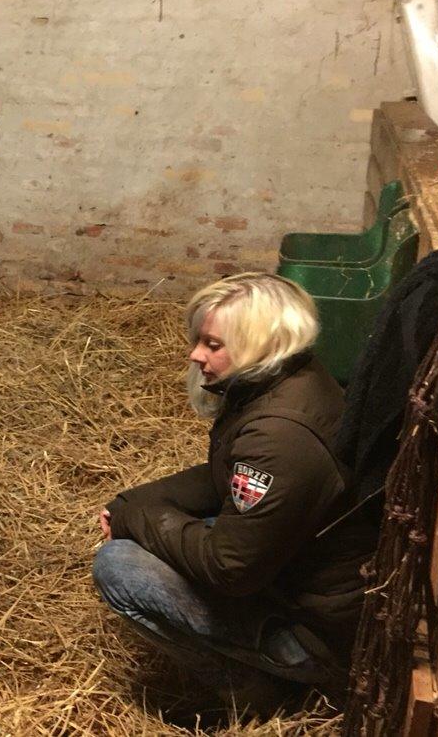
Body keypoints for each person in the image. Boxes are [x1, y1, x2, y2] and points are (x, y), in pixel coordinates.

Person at [93, 272, 377, 708]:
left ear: (258, 345)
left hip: (315, 633)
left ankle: (259, 694)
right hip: (298, 581)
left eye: (213, 344)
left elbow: (230, 567)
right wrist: (132, 504)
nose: (195, 355)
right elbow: (223, 475)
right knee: (168, 531)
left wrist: (136, 522)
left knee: (120, 566)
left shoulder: (279, 437)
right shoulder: (287, 380)